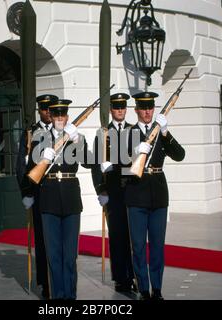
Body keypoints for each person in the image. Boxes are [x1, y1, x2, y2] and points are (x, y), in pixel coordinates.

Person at [24, 99, 92, 300]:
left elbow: (89, 162)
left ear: (67, 118)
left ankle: (70, 297)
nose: (60, 119)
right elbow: (30, 172)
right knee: (53, 256)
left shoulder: (75, 138)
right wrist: (41, 157)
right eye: (56, 115)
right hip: (49, 200)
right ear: (51, 117)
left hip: (71, 200)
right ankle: (57, 298)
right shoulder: (40, 139)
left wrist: (78, 140)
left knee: (70, 256)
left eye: (63, 115)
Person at [126, 92, 185, 300]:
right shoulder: (128, 133)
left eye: (150, 107)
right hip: (136, 195)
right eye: (143, 108)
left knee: (158, 246)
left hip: (159, 196)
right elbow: (121, 166)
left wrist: (166, 132)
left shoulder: (161, 132)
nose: (148, 111)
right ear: (136, 110)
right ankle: (143, 289)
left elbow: (180, 155)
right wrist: (135, 152)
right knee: (139, 247)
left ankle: (157, 289)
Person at [91, 93, 135, 293]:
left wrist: (116, 167)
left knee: (134, 236)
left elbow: (136, 163)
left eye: (122, 107)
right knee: (117, 236)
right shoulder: (103, 133)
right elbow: (94, 165)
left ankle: (134, 275)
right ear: (111, 110)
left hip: (133, 190)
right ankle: (120, 278)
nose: (120, 110)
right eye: (116, 107)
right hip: (113, 192)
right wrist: (100, 189)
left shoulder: (134, 131)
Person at [17, 94, 58, 299]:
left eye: (51, 109)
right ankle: (45, 283)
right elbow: (21, 166)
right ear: (39, 110)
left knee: (58, 242)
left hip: (58, 192)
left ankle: (59, 280)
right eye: (44, 109)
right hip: (39, 193)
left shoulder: (61, 131)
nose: (48, 112)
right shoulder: (30, 133)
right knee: (42, 241)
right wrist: (26, 193)